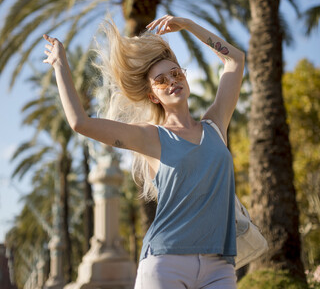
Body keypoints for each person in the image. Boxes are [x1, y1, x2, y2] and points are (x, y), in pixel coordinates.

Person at [43, 15, 245, 289]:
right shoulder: (151, 136)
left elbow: (235, 60)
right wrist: (59, 64)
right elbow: (81, 123)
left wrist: (187, 25)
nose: (172, 81)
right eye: (161, 81)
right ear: (153, 96)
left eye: (176, 73)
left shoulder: (215, 125)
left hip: (219, 266)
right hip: (167, 262)